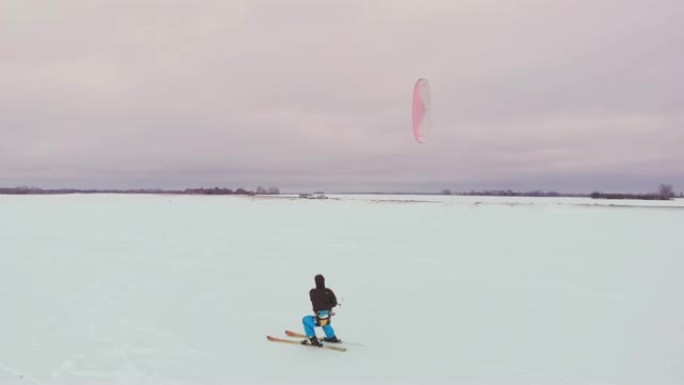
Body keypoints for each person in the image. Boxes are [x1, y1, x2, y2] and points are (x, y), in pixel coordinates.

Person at [301, 274, 342, 346]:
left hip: (318, 319)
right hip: (327, 318)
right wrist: (328, 305)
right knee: (325, 322)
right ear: (324, 281)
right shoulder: (329, 291)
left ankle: (312, 339)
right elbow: (334, 304)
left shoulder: (312, 292)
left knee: (305, 319)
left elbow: (313, 300)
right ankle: (332, 337)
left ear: (315, 282)